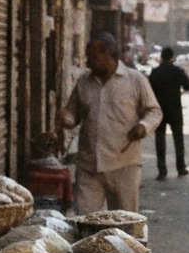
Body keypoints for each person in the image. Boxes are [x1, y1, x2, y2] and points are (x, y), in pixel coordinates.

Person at [59, 32, 162, 213]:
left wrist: (143, 126)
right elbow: (73, 113)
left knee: (124, 221)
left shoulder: (135, 79)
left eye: (92, 57)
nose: (87, 63)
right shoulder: (84, 82)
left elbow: (154, 111)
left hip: (124, 165)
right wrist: (66, 118)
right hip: (89, 165)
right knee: (84, 218)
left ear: (108, 53)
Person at [147, 46, 189, 180]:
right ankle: (181, 168)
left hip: (159, 110)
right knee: (178, 139)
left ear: (161, 57)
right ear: (172, 57)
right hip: (175, 110)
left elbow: (149, 90)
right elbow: (188, 86)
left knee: (160, 140)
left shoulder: (155, 72)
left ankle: (162, 171)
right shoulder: (177, 71)